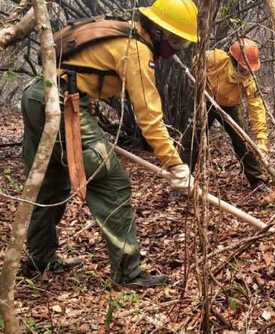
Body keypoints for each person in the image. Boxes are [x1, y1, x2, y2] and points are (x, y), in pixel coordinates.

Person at [20, 0, 197, 288]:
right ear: (160, 32)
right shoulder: (136, 49)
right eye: (176, 40)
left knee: (49, 182)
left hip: (37, 95)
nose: (177, 48)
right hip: (62, 101)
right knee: (111, 181)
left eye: (183, 43)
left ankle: (39, 259)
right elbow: (150, 118)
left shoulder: (123, 32)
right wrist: (176, 165)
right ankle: (129, 272)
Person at [184, 38, 269, 189]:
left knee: (242, 140)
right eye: (243, 68)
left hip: (230, 107)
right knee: (192, 139)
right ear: (233, 60)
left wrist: (261, 140)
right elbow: (194, 63)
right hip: (206, 100)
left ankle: (257, 181)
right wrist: (198, 82)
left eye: (249, 69)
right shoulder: (215, 58)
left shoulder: (249, 81)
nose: (246, 72)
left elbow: (257, 108)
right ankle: (182, 178)